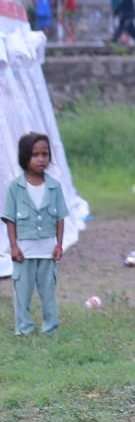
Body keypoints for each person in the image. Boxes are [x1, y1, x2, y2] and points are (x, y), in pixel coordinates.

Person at [4, 132, 68, 335]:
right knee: (22, 293)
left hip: (47, 251)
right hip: (24, 251)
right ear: (25, 157)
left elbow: (60, 218)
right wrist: (13, 246)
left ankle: (50, 328)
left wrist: (59, 244)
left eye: (45, 154)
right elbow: (10, 220)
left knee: (48, 292)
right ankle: (24, 328)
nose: (41, 159)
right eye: (35, 155)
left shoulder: (54, 187)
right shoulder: (15, 187)